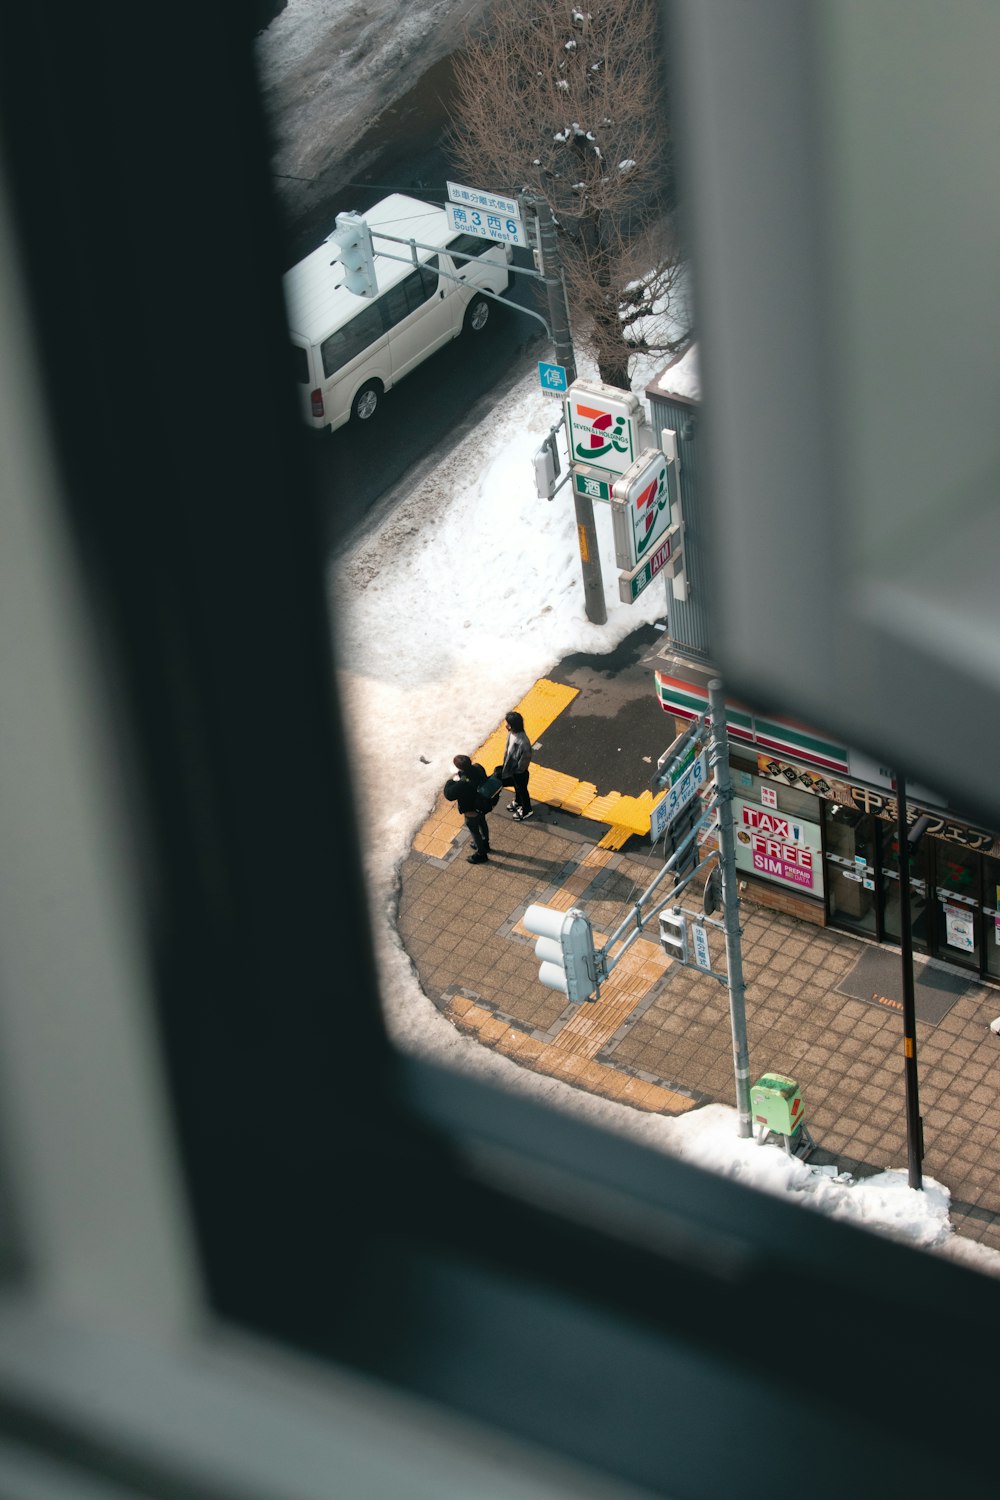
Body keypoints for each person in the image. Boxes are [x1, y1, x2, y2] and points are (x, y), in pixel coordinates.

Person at [443, 754, 491, 864]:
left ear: (459, 767)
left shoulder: (463, 782)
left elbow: (449, 794)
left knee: (474, 831)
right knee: (482, 822)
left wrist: (451, 781)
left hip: (471, 810)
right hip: (482, 805)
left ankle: (481, 853)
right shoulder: (478, 768)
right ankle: (485, 843)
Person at [498, 710, 533, 821]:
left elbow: (525, 760)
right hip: (512, 769)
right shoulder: (511, 733)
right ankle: (518, 802)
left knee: (522, 790)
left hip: (519, 772)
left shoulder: (523, 741)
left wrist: (518, 770)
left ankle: (527, 809)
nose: (505, 725)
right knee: (518, 788)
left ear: (513, 725)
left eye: (508, 723)